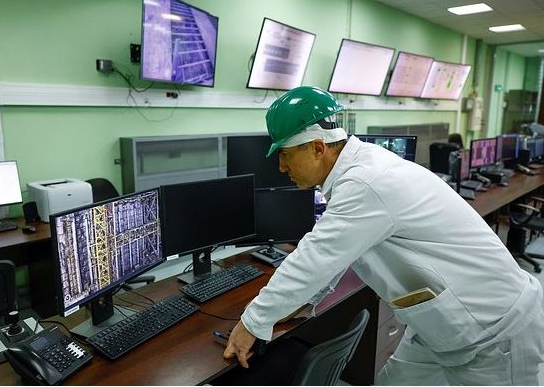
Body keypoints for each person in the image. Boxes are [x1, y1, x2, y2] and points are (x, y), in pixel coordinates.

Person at [223, 86, 544, 385]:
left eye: (285, 154)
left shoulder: (366, 182)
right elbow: (334, 255)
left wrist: (253, 322)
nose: (281, 167)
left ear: (318, 148)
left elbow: (315, 258)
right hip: (441, 327)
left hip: (495, 331)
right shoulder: (360, 170)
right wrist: (301, 302)